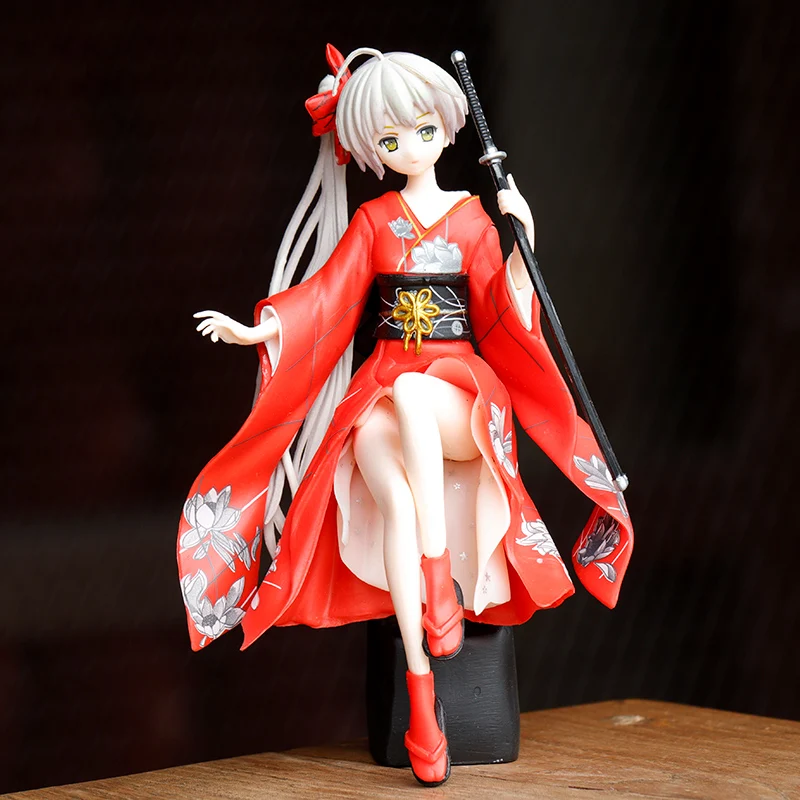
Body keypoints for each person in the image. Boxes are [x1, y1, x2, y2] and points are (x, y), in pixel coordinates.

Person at [178, 45, 633, 787]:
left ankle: (438, 578)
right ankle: (422, 691)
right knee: (389, 491)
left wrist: (524, 241)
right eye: (389, 139)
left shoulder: (472, 219)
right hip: (384, 386)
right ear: (370, 149)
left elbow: (505, 313)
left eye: (422, 131)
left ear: (446, 130)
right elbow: (328, 298)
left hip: (457, 392)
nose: (409, 148)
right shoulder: (375, 221)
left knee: (418, 395)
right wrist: (264, 329)